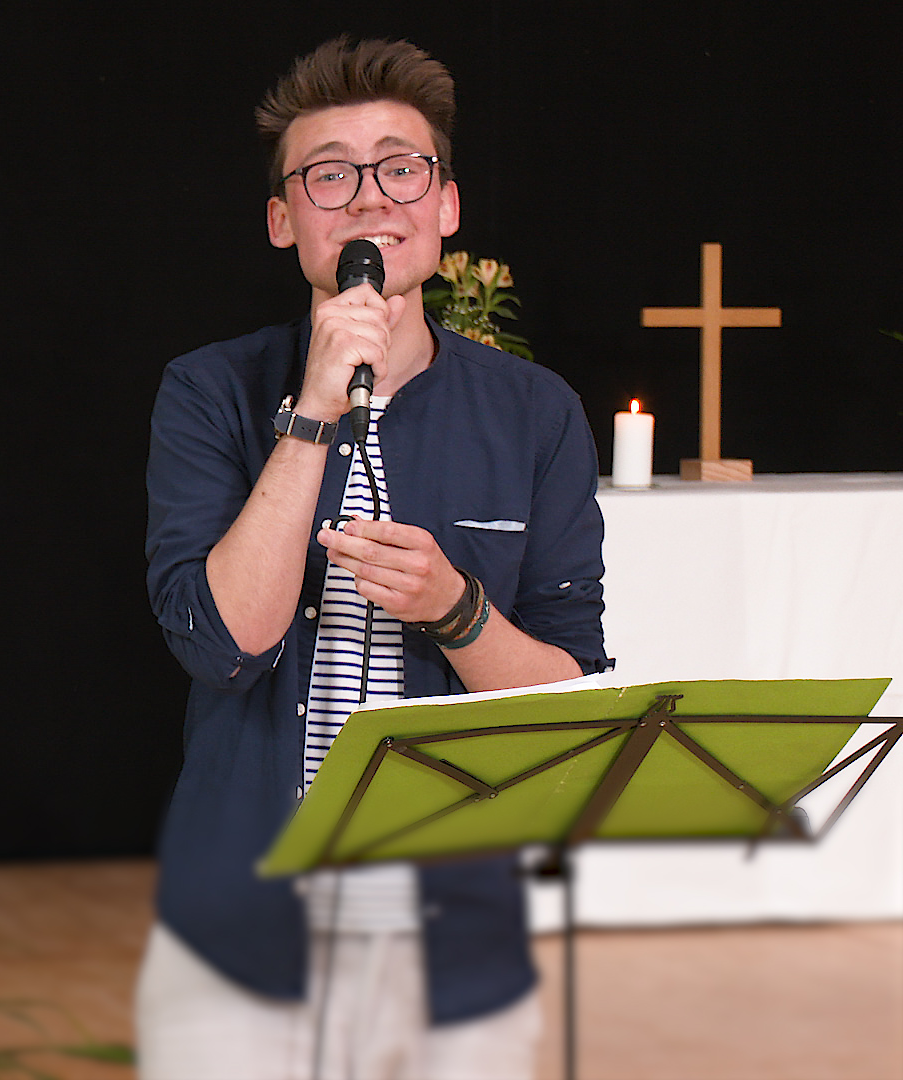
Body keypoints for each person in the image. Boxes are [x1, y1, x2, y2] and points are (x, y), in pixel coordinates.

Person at [137, 38, 610, 1079]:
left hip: (456, 934)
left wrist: (458, 611)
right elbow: (223, 644)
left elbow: (570, 703)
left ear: (445, 207)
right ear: (283, 219)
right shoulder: (209, 393)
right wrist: (311, 407)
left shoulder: (536, 416)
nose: (368, 200)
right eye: (329, 176)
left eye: (402, 168)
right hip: (241, 922)